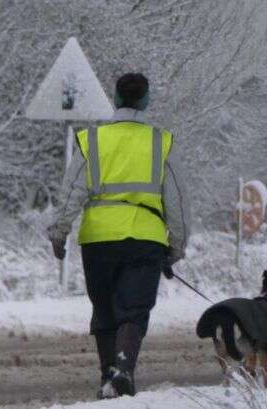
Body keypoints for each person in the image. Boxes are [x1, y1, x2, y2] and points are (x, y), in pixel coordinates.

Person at [47, 73, 190, 398]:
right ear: (146, 100)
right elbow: (178, 200)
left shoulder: (93, 140)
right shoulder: (160, 141)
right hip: (146, 239)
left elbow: (72, 190)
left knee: (105, 308)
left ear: (115, 98)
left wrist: (60, 230)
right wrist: (176, 245)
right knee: (134, 309)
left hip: (98, 240)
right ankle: (123, 370)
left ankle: (107, 376)